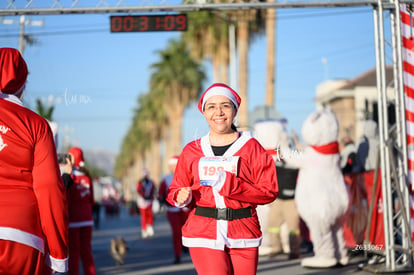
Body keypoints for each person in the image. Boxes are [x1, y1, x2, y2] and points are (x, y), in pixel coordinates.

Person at [166, 83, 279, 275]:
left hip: (244, 230)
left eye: (225, 105)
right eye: (211, 106)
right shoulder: (191, 150)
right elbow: (176, 189)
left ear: (235, 110)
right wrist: (181, 197)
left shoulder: (252, 147)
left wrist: (231, 185)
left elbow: (269, 192)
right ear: (204, 113)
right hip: (203, 230)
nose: (218, 112)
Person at [0, 47, 69, 274]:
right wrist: (58, 255)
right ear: (21, 83)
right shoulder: (37, 125)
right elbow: (49, 189)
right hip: (21, 234)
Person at [67, 147, 96, 275]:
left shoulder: (70, 177)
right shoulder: (88, 177)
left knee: (74, 253)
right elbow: (92, 199)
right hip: (87, 219)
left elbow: (66, 199)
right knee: (86, 251)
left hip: (73, 220)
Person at [158, 155, 190, 264]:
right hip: (172, 211)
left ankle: (184, 245)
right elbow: (161, 194)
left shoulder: (187, 175)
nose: (174, 168)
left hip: (186, 210)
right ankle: (177, 255)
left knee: (186, 231)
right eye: (172, 166)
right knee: (176, 233)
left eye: (175, 165)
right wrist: (163, 200)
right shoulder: (166, 179)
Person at [136, 168, 156, 238]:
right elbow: (139, 190)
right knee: (144, 216)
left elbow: (153, 189)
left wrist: (152, 196)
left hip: (149, 200)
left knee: (150, 214)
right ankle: (144, 230)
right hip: (142, 201)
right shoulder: (140, 182)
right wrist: (143, 195)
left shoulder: (151, 182)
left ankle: (150, 227)